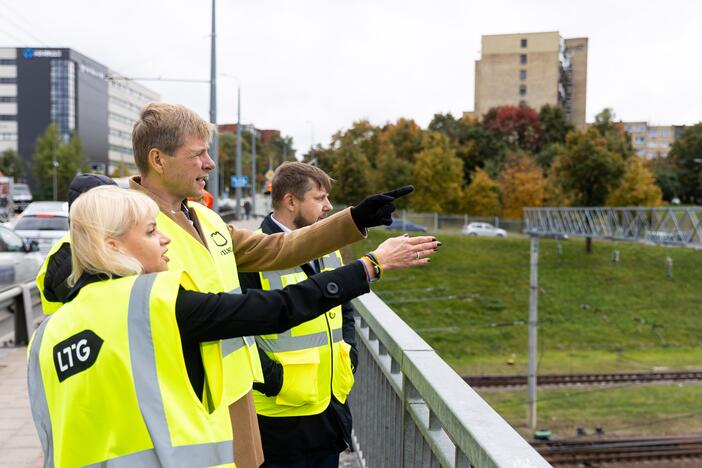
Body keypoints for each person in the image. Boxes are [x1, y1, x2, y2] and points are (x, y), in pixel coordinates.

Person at [37, 101, 414, 467]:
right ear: (158, 159)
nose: (210, 164)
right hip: (179, 404)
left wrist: (351, 220)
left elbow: (278, 247)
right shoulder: (129, 222)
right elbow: (70, 268)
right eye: (198, 154)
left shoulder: (204, 217)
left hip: (235, 396)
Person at [239, 162, 390, 467]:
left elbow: (343, 308)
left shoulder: (327, 248)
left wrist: (350, 352)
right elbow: (239, 334)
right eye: (319, 198)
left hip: (328, 408)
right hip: (281, 417)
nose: (328, 206)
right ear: (290, 201)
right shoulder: (252, 254)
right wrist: (276, 380)